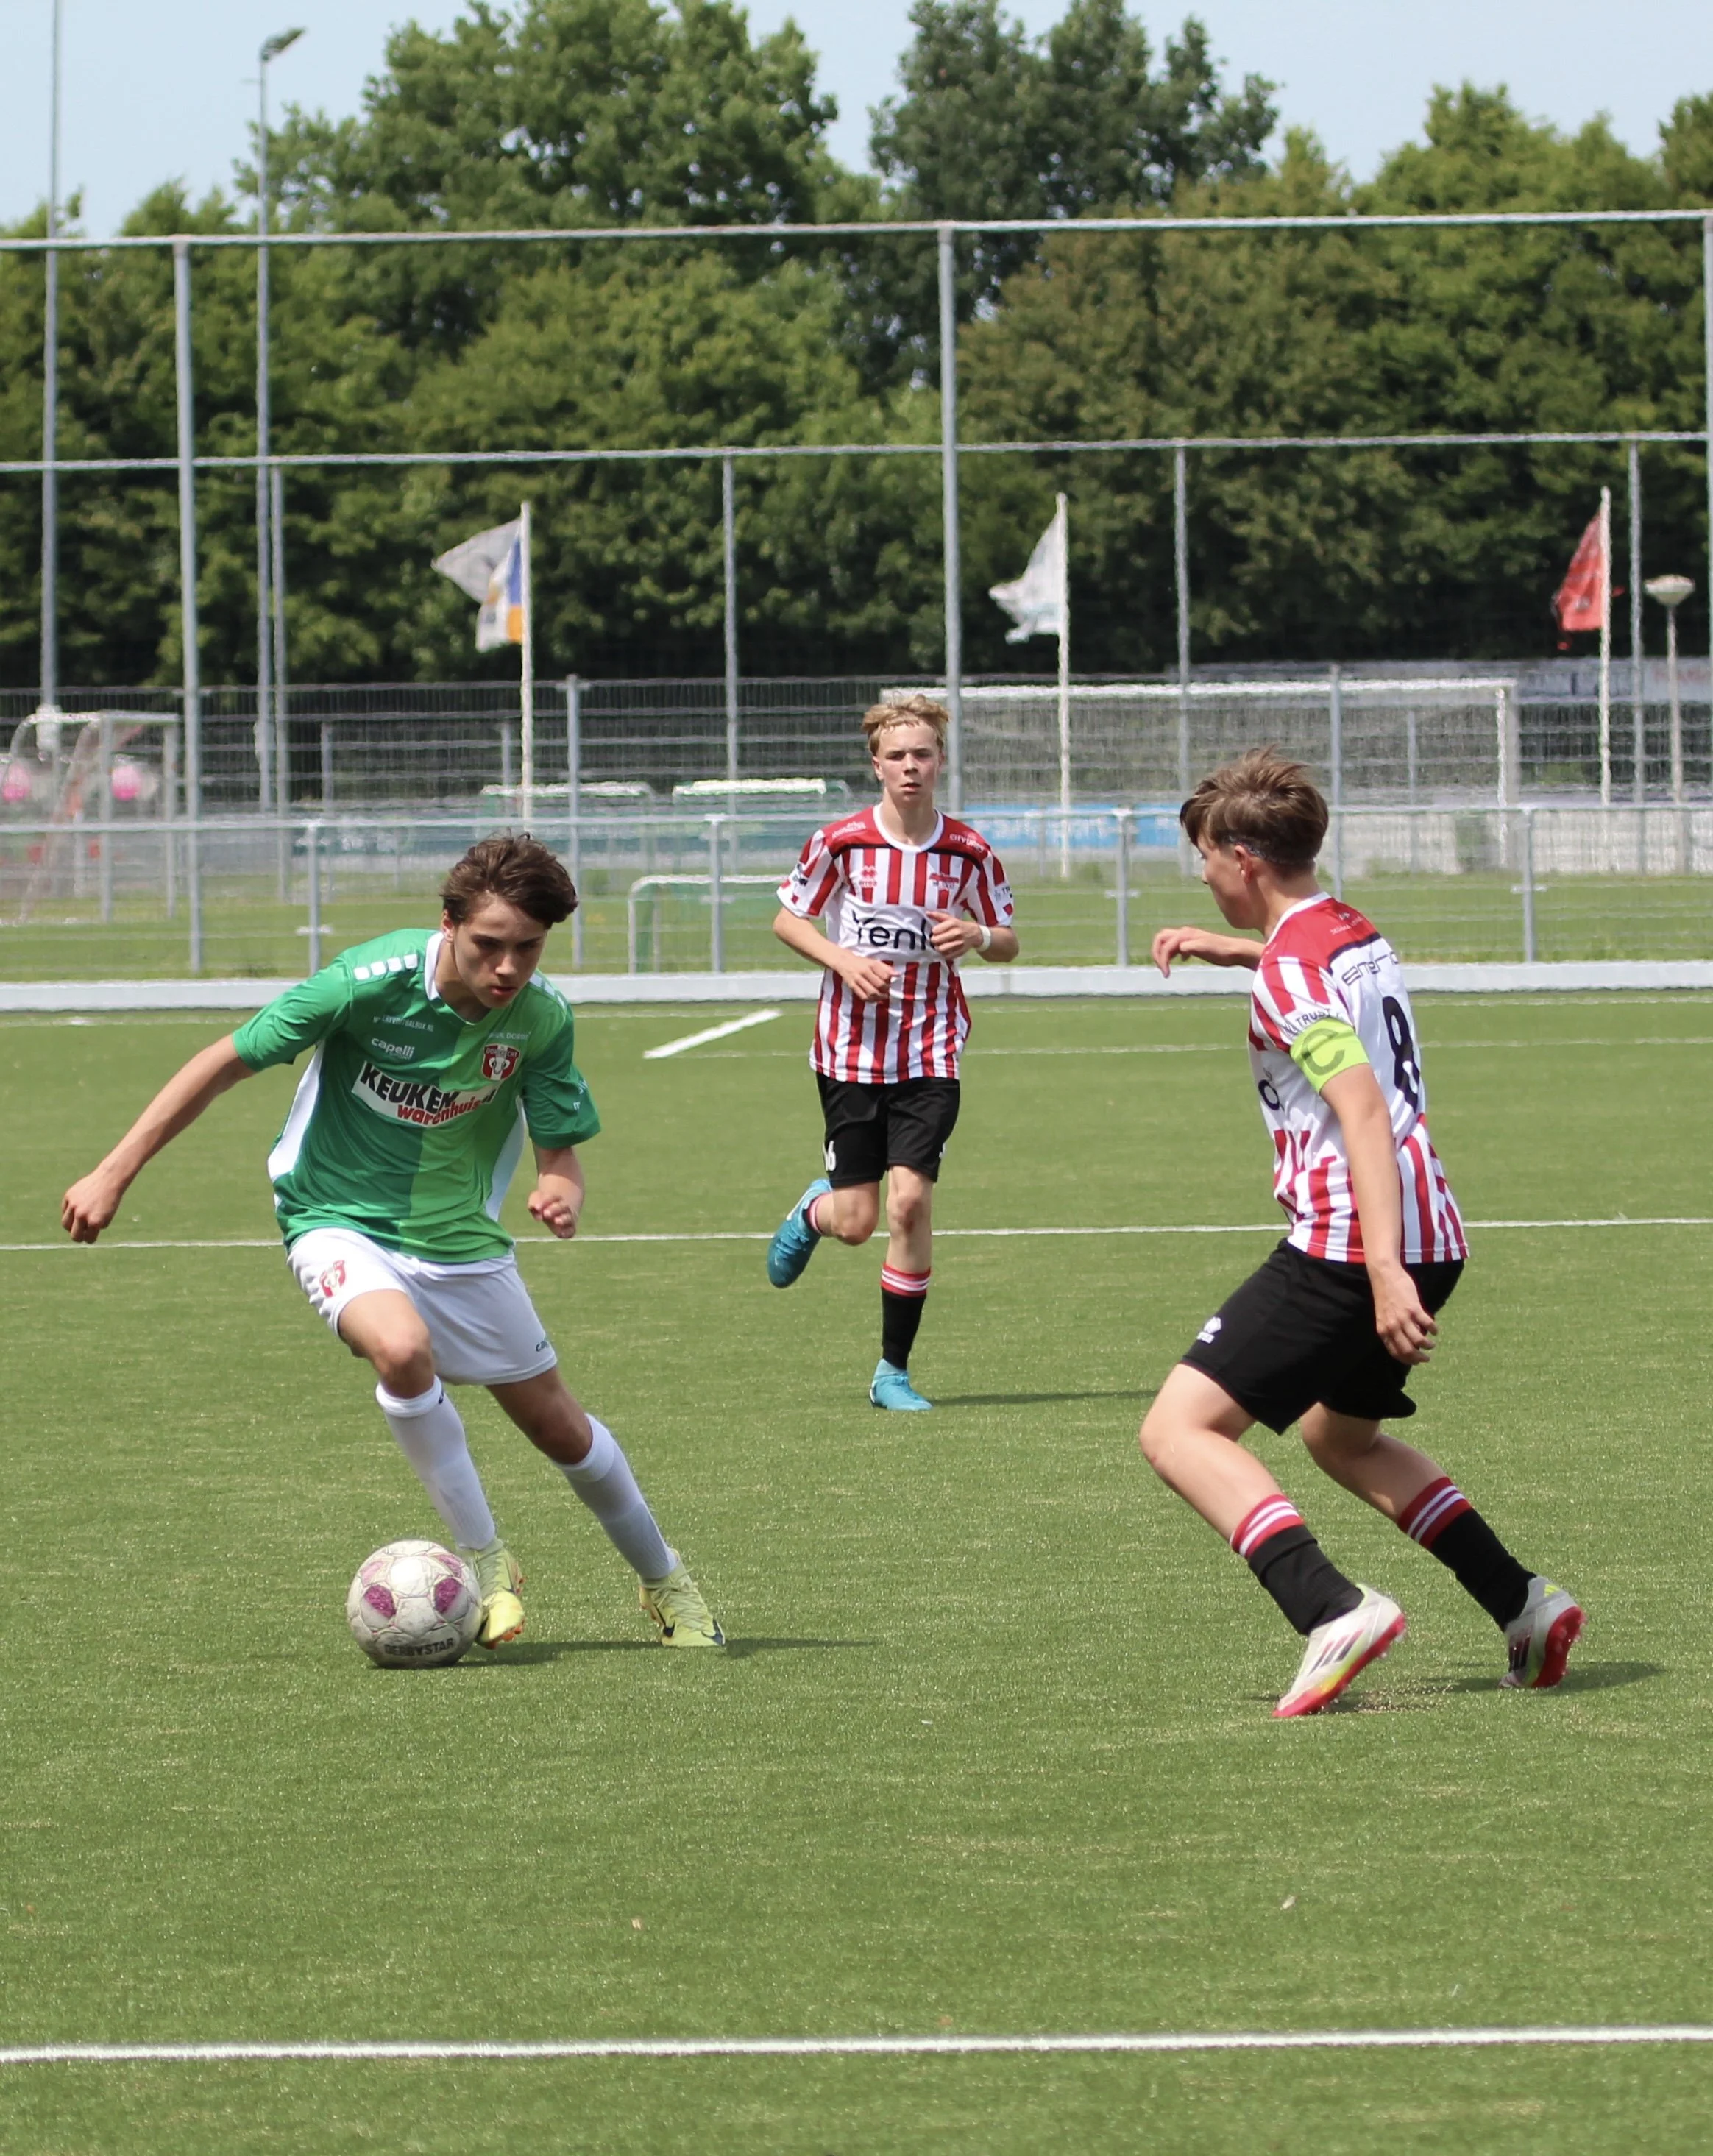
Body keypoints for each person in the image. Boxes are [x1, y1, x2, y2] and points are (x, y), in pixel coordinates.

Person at [61, 833, 723, 1650]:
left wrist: (562, 1190)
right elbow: (225, 1060)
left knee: (563, 1431)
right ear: (448, 923)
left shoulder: (542, 1018)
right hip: (333, 1215)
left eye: (528, 947)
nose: (508, 966)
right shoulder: (364, 984)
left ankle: (665, 1580)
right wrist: (113, 1172)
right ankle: (486, 1562)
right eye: (489, 943)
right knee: (402, 1351)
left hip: (459, 1239)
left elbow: (560, 1153)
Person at [1144, 748, 1581, 1717]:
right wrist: (1235, 950)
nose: (1203, 876)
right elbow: (1311, 979)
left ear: (1243, 858)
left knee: (1178, 1428)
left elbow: (1360, 1106)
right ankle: (1523, 1601)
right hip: (1434, 1227)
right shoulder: (1348, 927)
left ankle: (1332, 1609)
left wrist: (1380, 1268)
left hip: (1353, 1240)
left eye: (1205, 857)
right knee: (1340, 1435)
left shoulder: (1289, 972)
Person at [765, 695, 1018, 1409]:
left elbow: (1007, 938)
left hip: (931, 1049)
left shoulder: (969, 852)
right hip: (849, 1050)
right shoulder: (840, 842)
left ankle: (892, 1372)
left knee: (909, 1205)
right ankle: (815, 1211)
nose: (911, 766)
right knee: (855, 1223)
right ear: (876, 764)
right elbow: (789, 919)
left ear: (941, 761)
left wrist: (978, 935)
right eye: (898, 755)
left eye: (923, 754)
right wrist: (844, 961)